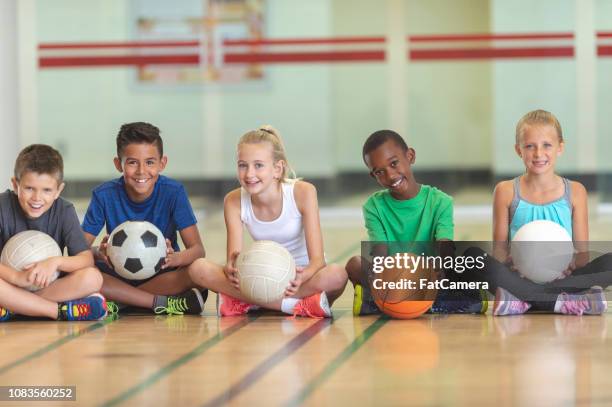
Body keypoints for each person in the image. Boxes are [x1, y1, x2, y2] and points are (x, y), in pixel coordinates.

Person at [188, 125, 348, 318]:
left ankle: (250, 302)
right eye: (242, 165)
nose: (249, 174)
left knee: (338, 275)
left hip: (301, 278)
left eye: (258, 165)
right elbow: (234, 259)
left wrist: (302, 277)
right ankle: (296, 306)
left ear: (277, 169)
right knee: (198, 268)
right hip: (259, 274)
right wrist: (232, 268)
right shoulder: (233, 201)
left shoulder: (303, 192)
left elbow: (317, 262)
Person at [468, 109, 609, 316]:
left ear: (560, 147)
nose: (538, 153)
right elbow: (499, 251)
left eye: (547, 145)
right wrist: (514, 263)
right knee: (472, 257)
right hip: (519, 277)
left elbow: (582, 255)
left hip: (563, 280)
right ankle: (561, 303)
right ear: (519, 150)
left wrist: (569, 265)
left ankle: (522, 300)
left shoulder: (576, 192)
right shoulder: (506, 191)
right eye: (529, 146)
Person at [345, 129, 486, 316]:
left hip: (430, 276)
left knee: (471, 260)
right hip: (393, 276)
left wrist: (438, 270)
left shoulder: (440, 201)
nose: (391, 175)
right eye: (380, 172)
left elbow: (445, 245)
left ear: (410, 156)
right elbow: (380, 252)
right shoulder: (373, 206)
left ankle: (380, 304)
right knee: (354, 264)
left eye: (394, 163)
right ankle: (431, 304)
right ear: (374, 176)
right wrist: (387, 276)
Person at [82, 122, 206, 315]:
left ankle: (121, 301)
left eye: (150, 162)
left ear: (162, 163)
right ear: (118, 164)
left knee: (196, 271)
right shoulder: (104, 195)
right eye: (132, 162)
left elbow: (198, 250)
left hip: (161, 275)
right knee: (82, 273)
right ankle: (159, 303)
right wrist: (100, 252)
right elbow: (79, 250)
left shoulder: (173, 192)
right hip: (116, 274)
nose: (141, 171)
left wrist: (176, 258)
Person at [0, 144, 107, 322]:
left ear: (58, 190)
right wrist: (17, 277)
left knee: (93, 278)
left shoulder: (64, 210)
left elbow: (85, 259)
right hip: (8, 284)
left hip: (47, 286)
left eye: (47, 190)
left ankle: (14, 306)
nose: (37, 198)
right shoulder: (2, 206)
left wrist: (55, 263)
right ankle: (59, 311)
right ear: (15, 184)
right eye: (29, 188)